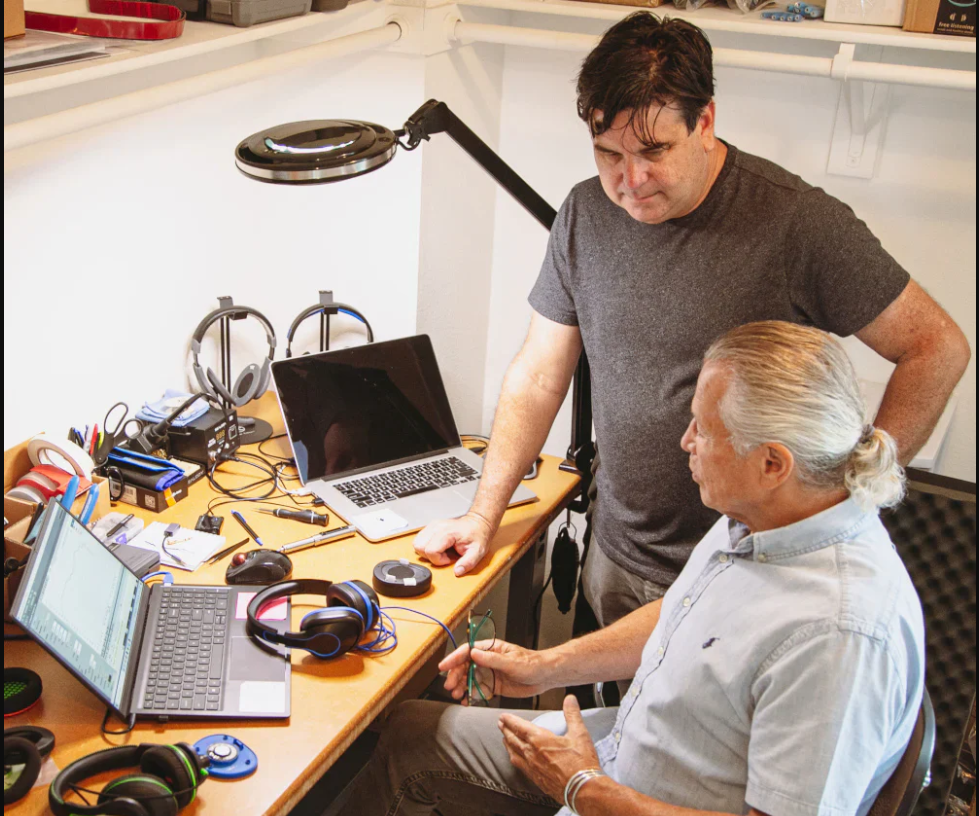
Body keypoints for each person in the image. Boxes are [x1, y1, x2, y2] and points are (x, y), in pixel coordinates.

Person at [413, 13, 970, 640]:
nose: (630, 180)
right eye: (608, 154)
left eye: (654, 151)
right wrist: (483, 515)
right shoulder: (585, 215)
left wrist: (858, 488)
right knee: (598, 729)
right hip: (616, 555)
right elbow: (540, 374)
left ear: (704, 122)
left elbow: (937, 346)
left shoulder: (796, 223)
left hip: (747, 581)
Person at [343, 321, 926, 816]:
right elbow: (682, 620)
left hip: (610, 791)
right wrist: (547, 668)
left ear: (772, 461)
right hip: (618, 752)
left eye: (703, 428)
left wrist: (585, 788)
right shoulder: (762, 516)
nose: (685, 440)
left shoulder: (840, 635)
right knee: (412, 732)